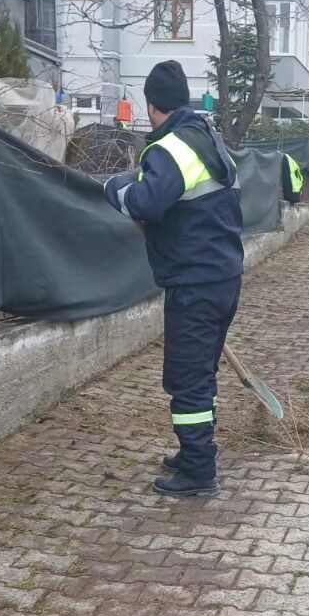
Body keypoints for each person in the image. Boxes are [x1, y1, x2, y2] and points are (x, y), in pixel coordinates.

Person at [104, 61, 244, 498]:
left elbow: (145, 202)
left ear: (152, 106)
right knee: (201, 373)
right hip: (223, 278)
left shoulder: (170, 148)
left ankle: (199, 473)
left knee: (187, 378)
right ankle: (194, 453)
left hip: (194, 283)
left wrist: (115, 188)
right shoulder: (209, 140)